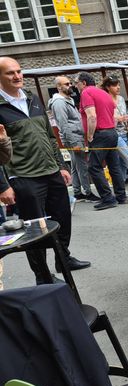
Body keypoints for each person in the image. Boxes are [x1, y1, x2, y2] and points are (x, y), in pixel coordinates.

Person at [0, 57, 90, 284]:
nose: (17, 76)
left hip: (50, 171)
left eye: (19, 71)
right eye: (10, 73)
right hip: (23, 176)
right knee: (34, 230)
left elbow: (50, 137)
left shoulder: (33, 99)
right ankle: (41, 274)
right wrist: (3, 186)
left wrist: (61, 165)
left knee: (62, 219)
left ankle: (63, 259)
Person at [76, 71, 127, 211]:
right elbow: (113, 114)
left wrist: (90, 135)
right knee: (114, 165)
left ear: (84, 83)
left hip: (100, 133)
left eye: (77, 82)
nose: (76, 86)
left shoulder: (86, 93)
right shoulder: (104, 93)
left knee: (94, 166)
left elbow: (92, 116)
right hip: (111, 131)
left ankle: (107, 198)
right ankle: (121, 196)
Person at [48, 76, 97, 202]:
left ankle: (77, 192)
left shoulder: (66, 100)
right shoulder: (59, 102)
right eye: (66, 84)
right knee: (82, 166)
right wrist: (73, 142)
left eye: (70, 83)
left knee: (76, 165)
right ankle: (87, 193)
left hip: (75, 136)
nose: (70, 85)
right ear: (59, 86)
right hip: (73, 138)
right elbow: (63, 124)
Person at [101, 76, 128, 184]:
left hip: (124, 132)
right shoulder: (105, 99)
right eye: (115, 85)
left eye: (119, 84)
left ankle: (121, 187)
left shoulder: (121, 99)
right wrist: (118, 118)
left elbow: (125, 113)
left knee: (122, 163)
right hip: (114, 134)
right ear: (108, 87)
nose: (118, 87)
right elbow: (105, 117)